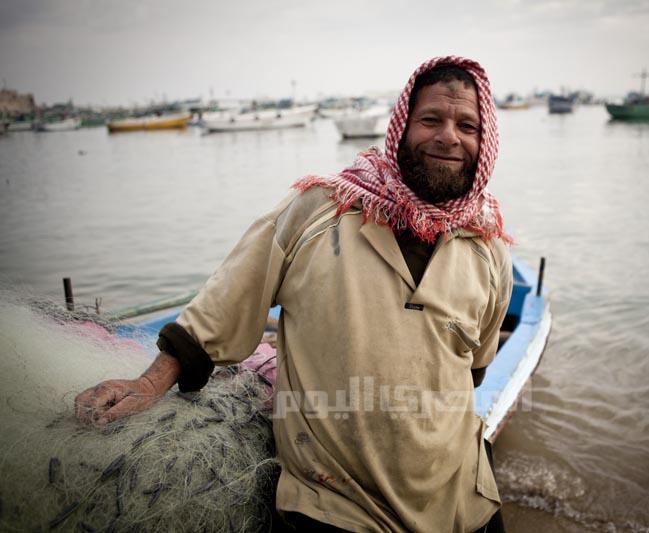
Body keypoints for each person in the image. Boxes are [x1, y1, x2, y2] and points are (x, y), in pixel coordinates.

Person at [75, 56, 513, 532]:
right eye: (432, 119)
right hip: (337, 509)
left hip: (463, 504)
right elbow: (222, 306)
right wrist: (147, 384)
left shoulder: (489, 251)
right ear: (403, 127)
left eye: (466, 125)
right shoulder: (319, 211)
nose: (449, 136)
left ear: (482, 139)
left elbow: (470, 373)